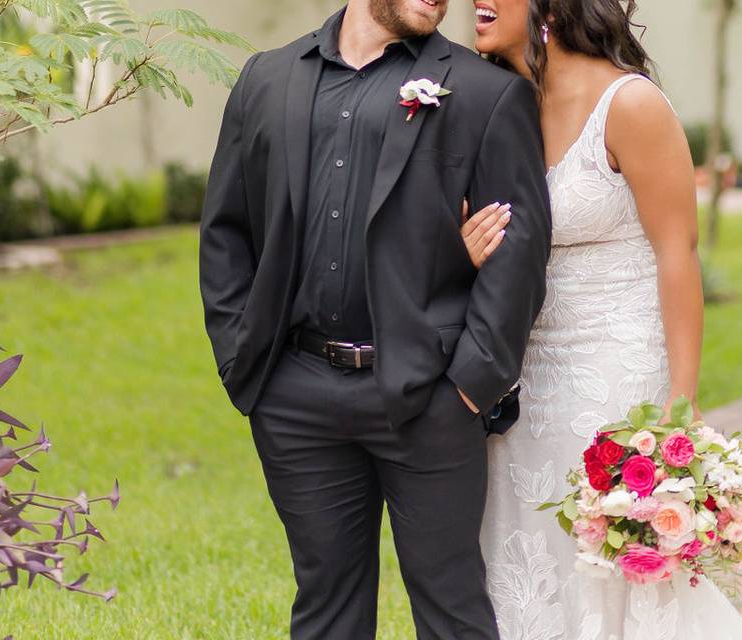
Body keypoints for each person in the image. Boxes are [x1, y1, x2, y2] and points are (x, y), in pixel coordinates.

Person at [198, 0, 552, 638]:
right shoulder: (264, 79)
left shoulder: (485, 94)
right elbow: (226, 230)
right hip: (295, 394)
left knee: (452, 611)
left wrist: (469, 385)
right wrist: (243, 361)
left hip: (429, 397)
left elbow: (519, 254)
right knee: (325, 609)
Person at [464, 0, 742, 637]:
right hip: (520, 378)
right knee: (528, 558)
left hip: (616, 375)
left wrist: (681, 408)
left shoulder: (629, 105)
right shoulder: (498, 106)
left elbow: (677, 253)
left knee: (609, 562)